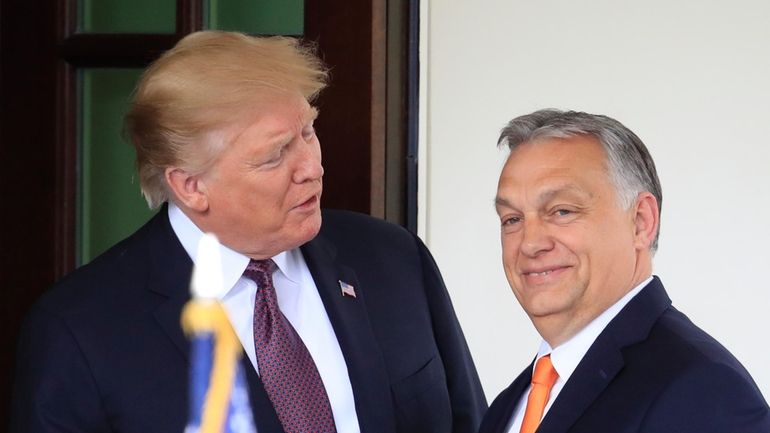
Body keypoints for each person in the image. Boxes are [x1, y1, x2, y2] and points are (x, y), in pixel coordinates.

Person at [11, 31, 486, 433]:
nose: (312, 167)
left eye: (308, 132)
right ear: (191, 185)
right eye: (275, 155)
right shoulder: (79, 331)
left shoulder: (391, 258)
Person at [479, 109, 770, 433]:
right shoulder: (508, 406)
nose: (530, 244)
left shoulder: (703, 390)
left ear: (641, 222)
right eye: (512, 220)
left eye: (562, 211)